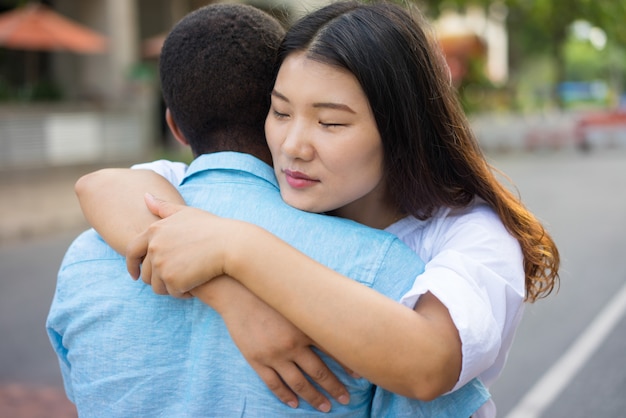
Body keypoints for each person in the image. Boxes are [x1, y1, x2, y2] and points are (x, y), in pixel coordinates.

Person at [77, 1, 559, 417]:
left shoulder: (468, 234)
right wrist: (234, 301)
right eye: (281, 112)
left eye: (330, 122)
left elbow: (427, 364)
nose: (292, 146)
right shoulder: (276, 183)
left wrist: (238, 246)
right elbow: (102, 187)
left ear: (401, 130)